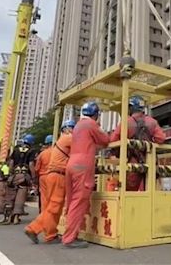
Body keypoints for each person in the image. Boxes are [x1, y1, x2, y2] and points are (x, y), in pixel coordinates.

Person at [62, 102, 110, 248]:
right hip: (82, 166)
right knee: (79, 201)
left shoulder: (78, 125)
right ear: (96, 114)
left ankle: (67, 233)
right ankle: (69, 238)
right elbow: (106, 140)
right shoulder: (91, 124)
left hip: (71, 164)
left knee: (71, 200)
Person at [25, 120, 76, 244]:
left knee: (52, 206)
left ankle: (50, 234)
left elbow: (36, 168)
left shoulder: (56, 144)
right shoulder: (68, 138)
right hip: (58, 175)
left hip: (50, 176)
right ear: (67, 129)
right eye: (73, 128)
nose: (75, 131)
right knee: (54, 206)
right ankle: (33, 228)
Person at [110, 95, 166, 191]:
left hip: (133, 162)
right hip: (149, 160)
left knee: (128, 192)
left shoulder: (126, 122)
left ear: (131, 107)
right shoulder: (152, 122)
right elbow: (161, 139)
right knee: (149, 190)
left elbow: (113, 139)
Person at [0, 134, 37, 225]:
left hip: (14, 176)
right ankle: (16, 217)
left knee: (10, 196)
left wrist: (10, 174)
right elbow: (31, 164)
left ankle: (7, 217)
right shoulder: (32, 151)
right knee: (21, 196)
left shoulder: (16, 150)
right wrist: (34, 177)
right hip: (24, 176)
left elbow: (11, 163)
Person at [35, 134, 54, 213]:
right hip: (54, 175)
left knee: (44, 197)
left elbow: (37, 168)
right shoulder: (57, 152)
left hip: (43, 177)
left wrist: (35, 178)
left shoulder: (42, 154)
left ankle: (44, 214)